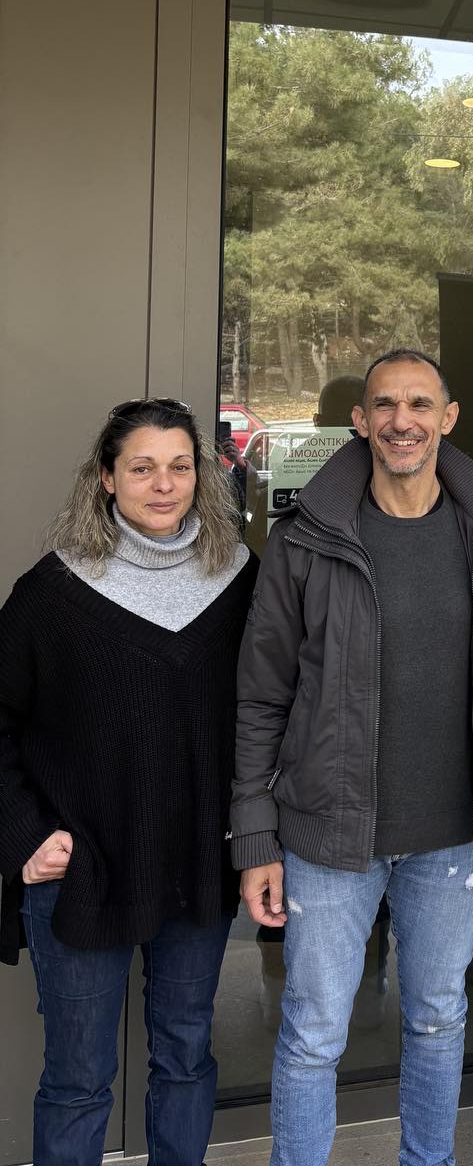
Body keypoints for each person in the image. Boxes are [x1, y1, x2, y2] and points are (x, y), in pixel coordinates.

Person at [231, 348, 473, 1166]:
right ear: (359, 422)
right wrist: (255, 837)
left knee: (437, 1020)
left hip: (452, 838)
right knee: (313, 1034)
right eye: (386, 406)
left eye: (420, 404)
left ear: (448, 418)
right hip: (328, 836)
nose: (404, 421)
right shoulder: (307, 538)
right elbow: (260, 696)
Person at [0, 397, 257, 1166]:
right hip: (85, 872)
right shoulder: (52, 593)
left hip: (197, 868)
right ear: (107, 478)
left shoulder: (239, 580)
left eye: (179, 466)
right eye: (142, 468)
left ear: (201, 476)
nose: (163, 484)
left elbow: (272, 713)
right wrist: (23, 836)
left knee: (185, 1059)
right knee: (78, 1081)